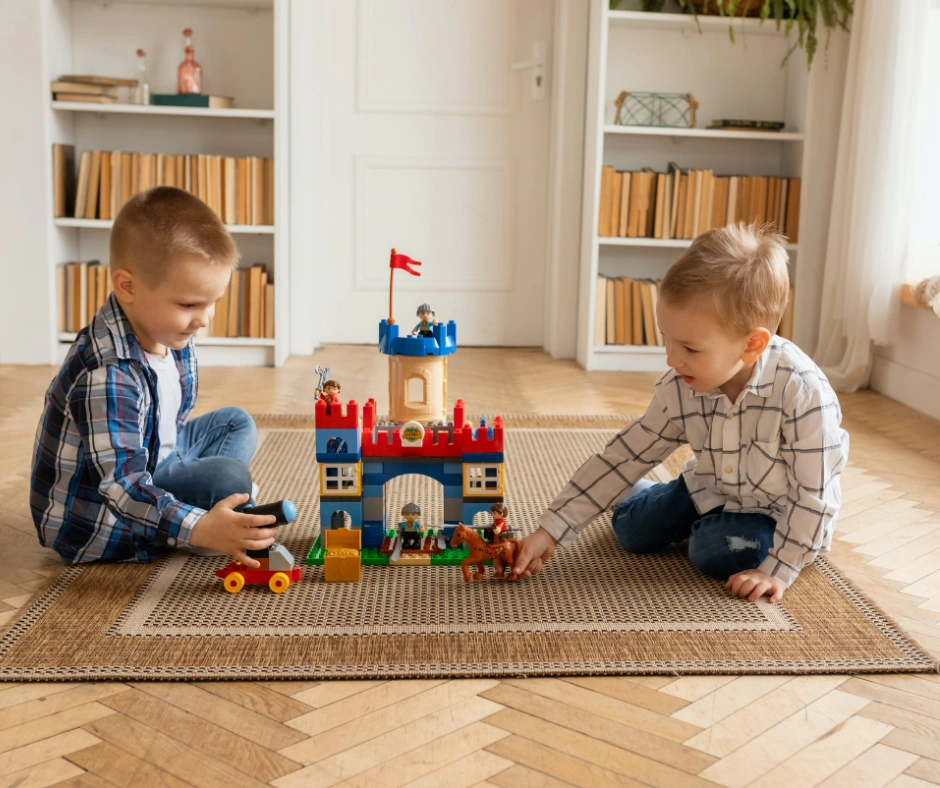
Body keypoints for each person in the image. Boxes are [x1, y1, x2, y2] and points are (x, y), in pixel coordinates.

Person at [509, 223, 850, 604]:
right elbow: (624, 457)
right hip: (712, 486)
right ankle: (651, 498)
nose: (672, 359)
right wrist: (551, 529)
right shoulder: (681, 383)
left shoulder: (803, 394)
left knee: (712, 550)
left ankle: (697, 525)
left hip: (776, 513)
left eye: (689, 347)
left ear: (751, 345)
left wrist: (779, 570)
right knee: (630, 531)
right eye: (666, 339)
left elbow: (814, 497)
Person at [30, 187, 278, 567]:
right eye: (190, 304)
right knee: (231, 479)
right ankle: (203, 524)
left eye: (213, 302)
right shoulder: (107, 374)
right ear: (127, 286)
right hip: (104, 517)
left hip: (155, 457)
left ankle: (210, 506)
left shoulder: (167, 331)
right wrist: (198, 526)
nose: (205, 318)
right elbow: (123, 486)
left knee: (236, 423)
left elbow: (168, 424)